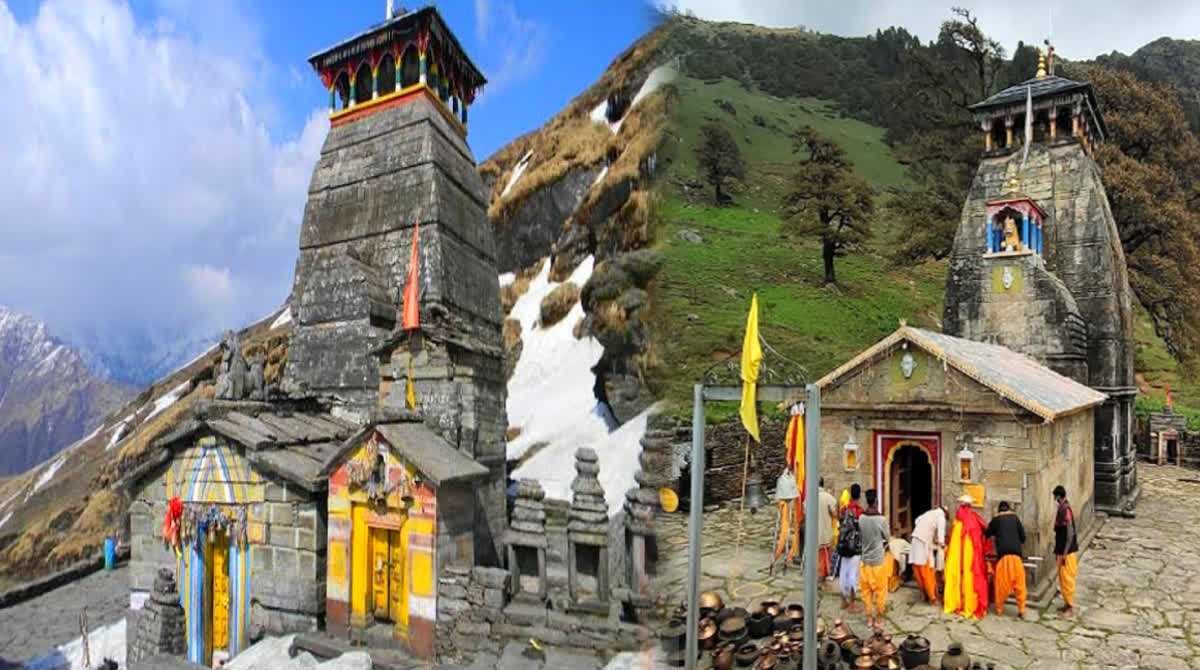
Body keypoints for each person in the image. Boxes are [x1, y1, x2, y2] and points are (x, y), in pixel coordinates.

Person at [943, 494, 989, 619]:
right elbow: (982, 534)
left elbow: (952, 540)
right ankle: (970, 606)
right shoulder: (974, 519)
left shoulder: (957, 521)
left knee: (956, 575)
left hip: (957, 556)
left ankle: (954, 603)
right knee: (970, 577)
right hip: (971, 556)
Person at [986, 501, 1027, 617]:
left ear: (999, 510)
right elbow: (1023, 538)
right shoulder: (1015, 518)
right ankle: (1022, 610)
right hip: (1017, 557)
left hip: (1004, 558)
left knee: (1001, 585)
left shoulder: (996, 519)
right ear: (1009, 509)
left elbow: (987, 533)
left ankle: (999, 609)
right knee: (1020, 585)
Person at [858, 489, 890, 629]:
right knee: (880, 591)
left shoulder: (861, 518)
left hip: (864, 561)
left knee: (866, 592)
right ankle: (879, 618)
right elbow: (887, 537)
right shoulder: (881, 520)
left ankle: (869, 619)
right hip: (878, 561)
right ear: (876, 501)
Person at [910, 506, 947, 605]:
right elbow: (941, 535)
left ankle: (924, 594)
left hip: (915, 540)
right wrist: (942, 544)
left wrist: (929, 535)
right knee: (927, 572)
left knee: (918, 570)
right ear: (945, 513)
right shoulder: (941, 517)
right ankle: (932, 598)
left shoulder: (929, 513)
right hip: (923, 543)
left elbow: (916, 521)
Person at [836, 484, 864, 610]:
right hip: (855, 547)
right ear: (859, 495)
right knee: (853, 574)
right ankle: (852, 603)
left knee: (843, 572)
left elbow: (840, 522)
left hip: (843, 545)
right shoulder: (859, 511)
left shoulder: (844, 509)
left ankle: (843, 600)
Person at [1053, 485, 1080, 617]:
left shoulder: (1065, 510)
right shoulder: (1062, 508)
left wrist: (1064, 553)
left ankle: (1070, 607)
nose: (1055, 499)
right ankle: (1066, 604)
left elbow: (1070, 534)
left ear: (1058, 496)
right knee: (1063, 579)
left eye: (1055, 497)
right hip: (1061, 550)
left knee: (1067, 579)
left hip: (1067, 552)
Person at [818, 477, 839, 580]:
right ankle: (824, 573)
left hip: (814, 531)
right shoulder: (828, 497)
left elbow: (805, 511)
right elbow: (835, 514)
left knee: (818, 553)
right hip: (826, 530)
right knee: (825, 552)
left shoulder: (810, 496)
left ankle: (818, 573)